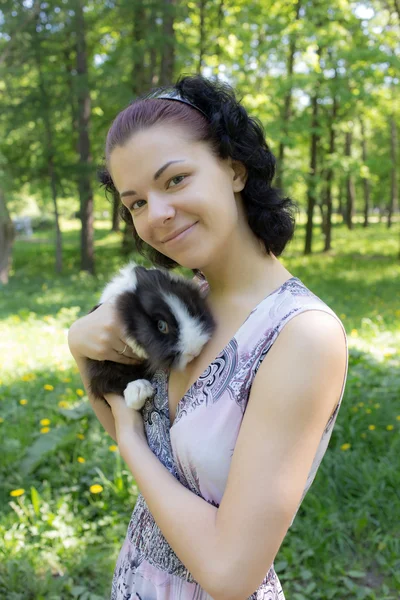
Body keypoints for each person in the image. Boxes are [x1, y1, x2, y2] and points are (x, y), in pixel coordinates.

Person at [68, 74, 348, 600]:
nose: (157, 216)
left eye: (174, 180)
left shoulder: (300, 335)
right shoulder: (177, 303)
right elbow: (143, 440)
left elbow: (229, 574)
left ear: (234, 169)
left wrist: (129, 440)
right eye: (136, 203)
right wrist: (79, 345)